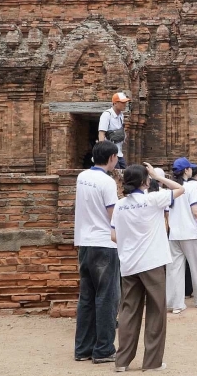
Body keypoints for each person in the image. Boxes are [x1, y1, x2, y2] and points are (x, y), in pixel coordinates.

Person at [112, 163, 185, 372]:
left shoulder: (119, 205)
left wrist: (131, 245)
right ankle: (151, 362)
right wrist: (157, 176)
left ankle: (122, 361)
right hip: (152, 262)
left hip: (129, 264)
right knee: (156, 312)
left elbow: (114, 236)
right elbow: (180, 189)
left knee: (128, 311)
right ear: (145, 181)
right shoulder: (152, 199)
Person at [73, 141, 121, 364]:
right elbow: (113, 215)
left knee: (87, 297)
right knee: (106, 297)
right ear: (111, 157)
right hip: (104, 243)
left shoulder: (82, 177)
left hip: (85, 242)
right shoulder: (107, 182)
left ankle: (83, 348)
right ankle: (103, 349)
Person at [166, 157, 197, 314]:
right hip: (191, 233)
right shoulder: (190, 188)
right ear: (187, 170)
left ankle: (175, 303)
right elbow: (196, 212)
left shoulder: (171, 189)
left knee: (174, 269)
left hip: (174, 234)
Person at [98, 92, 130, 170]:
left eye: (125, 102)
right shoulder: (107, 114)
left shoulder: (121, 115)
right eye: (122, 102)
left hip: (118, 152)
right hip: (110, 152)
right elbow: (101, 133)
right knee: (116, 173)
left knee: (124, 172)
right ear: (115, 103)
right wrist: (102, 151)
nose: (125, 104)